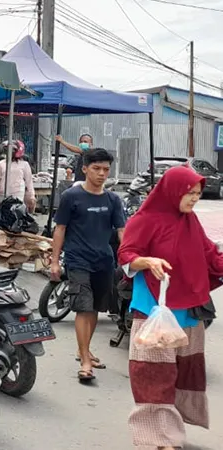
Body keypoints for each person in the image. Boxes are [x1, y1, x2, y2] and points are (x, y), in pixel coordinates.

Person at [117, 166, 222, 450]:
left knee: (184, 371)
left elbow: (210, 255)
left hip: (189, 309)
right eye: (189, 194)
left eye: (198, 195)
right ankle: (160, 439)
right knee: (154, 374)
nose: (193, 200)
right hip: (155, 308)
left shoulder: (191, 221)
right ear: (173, 191)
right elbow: (126, 255)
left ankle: (169, 428)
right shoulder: (146, 219)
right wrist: (148, 261)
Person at [50, 148, 125, 382]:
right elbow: (59, 228)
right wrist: (54, 261)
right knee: (83, 307)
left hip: (104, 262)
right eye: (96, 169)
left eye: (105, 169)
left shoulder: (113, 200)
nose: (102, 174)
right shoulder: (71, 197)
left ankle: (85, 349)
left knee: (94, 309)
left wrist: (133, 258)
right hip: (77, 260)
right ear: (84, 169)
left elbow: (123, 232)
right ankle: (84, 361)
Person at [0, 139, 36, 211]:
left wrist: (32, 196)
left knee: (15, 215)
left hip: (17, 195)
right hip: (3, 194)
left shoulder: (24, 165)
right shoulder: (2, 163)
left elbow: (29, 182)